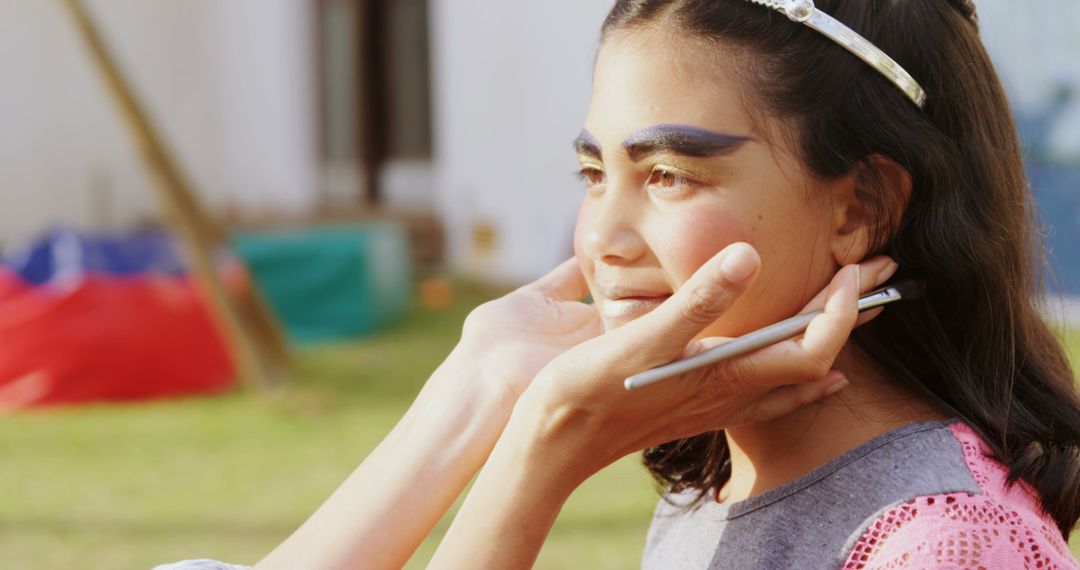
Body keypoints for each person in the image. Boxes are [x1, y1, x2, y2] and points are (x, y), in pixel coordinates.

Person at [159, 0, 1080, 568]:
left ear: (862, 206)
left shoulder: (949, 542)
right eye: (595, 174)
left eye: (671, 174)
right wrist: (509, 409)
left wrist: (541, 447)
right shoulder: (711, 490)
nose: (598, 236)